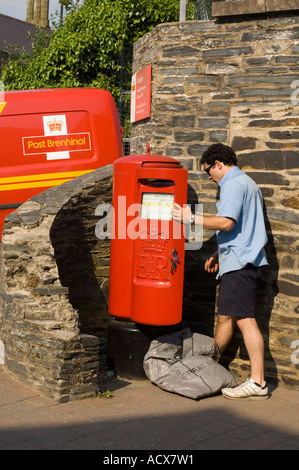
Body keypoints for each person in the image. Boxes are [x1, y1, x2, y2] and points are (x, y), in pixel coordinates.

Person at [172, 143, 269, 400]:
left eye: (208, 171)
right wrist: (217, 254)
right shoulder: (245, 183)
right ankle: (210, 366)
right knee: (225, 317)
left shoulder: (234, 185)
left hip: (241, 263)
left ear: (218, 164)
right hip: (238, 260)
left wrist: (190, 217)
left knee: (245, 320)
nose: (209, 177)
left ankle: (258, 381)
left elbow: (227, 222)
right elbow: (243, 227)